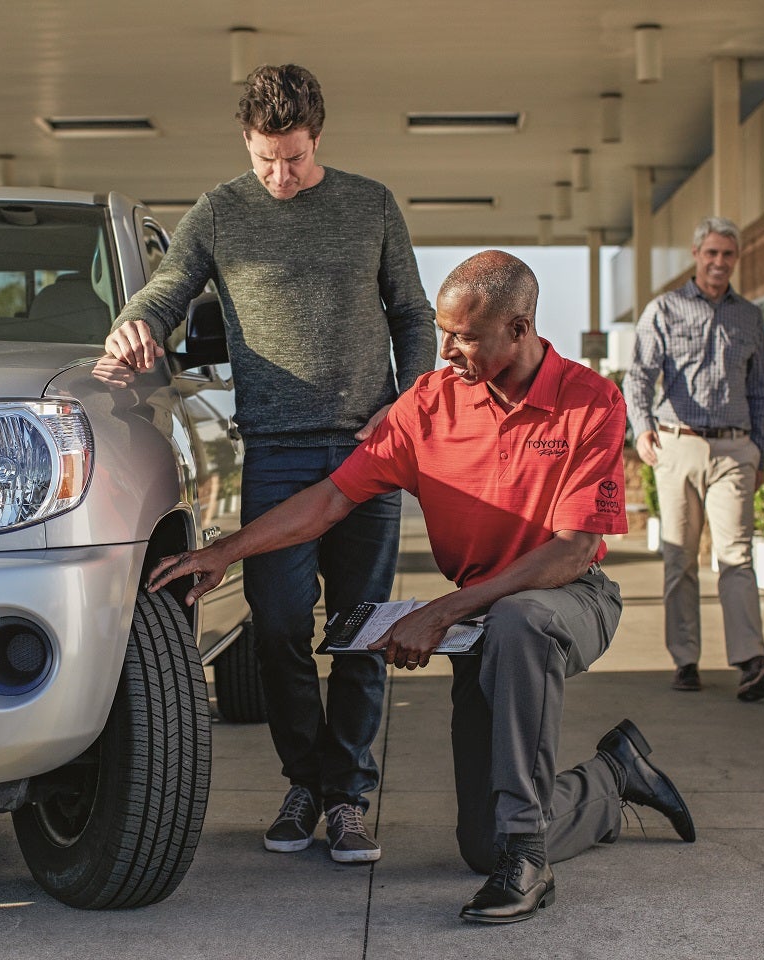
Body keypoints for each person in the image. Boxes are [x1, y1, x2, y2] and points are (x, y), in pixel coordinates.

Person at [148, 251, 696, 924]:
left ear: (519, 329)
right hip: (481, 620)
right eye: (443, 330)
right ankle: (612, 780)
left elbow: (575, 548)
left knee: (522, 622)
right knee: (477, 845)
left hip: (569, 598)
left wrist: (443, 612)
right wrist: (224, 552)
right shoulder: (430, 405)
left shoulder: (589, 400)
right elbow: (329, 500)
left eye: (465, 335)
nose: (446, 348)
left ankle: (529, 857)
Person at [99, 64, 437, 864]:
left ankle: (348, 797)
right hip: (279, 452)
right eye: (265, 160)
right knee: (279, 626)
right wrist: (131, 324)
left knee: (360, 631)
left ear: (316, 137)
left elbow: (412, 313)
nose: (280, 177)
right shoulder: (221, 211)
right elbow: (169, 288)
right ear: (246, 143)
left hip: (367, 448)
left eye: (292, 158)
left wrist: (413, 395)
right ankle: (305, 782)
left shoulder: (370, 204)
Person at [624, 216, 764, 701]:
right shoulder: (665, 309)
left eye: (728, 254)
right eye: (712, 253)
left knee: (737, 554)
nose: (720, 262)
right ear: (697, 255)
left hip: (735, 449)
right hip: (678, 445)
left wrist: (759, 449)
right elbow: (638, 377)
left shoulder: (750, 317)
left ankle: (750, 660)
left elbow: (760, 391)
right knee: (679, 557)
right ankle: (686, 658)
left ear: (736, 259)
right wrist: (642, 431)